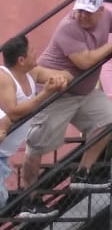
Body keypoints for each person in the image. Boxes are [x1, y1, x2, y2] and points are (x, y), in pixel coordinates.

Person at [22, 0, 112, 194]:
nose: (82, 15)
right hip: (57, 92)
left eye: (88, 12)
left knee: (108, 120)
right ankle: (29, 197)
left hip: (84, 92)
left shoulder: (107, 17)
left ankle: (83, 173)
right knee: (37, 145)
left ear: (101, 10)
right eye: (79, 10)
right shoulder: (68, 27)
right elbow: (85, 62)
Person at [0, 35, 72, 221]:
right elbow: (14, 112)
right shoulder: (4, 78)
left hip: (4, 153)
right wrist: (45, 94)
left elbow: (66, 74)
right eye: (32, 51)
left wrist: (61, 80)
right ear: (21, 60)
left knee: (1, 200)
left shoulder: (32, 73)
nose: (36, 53)